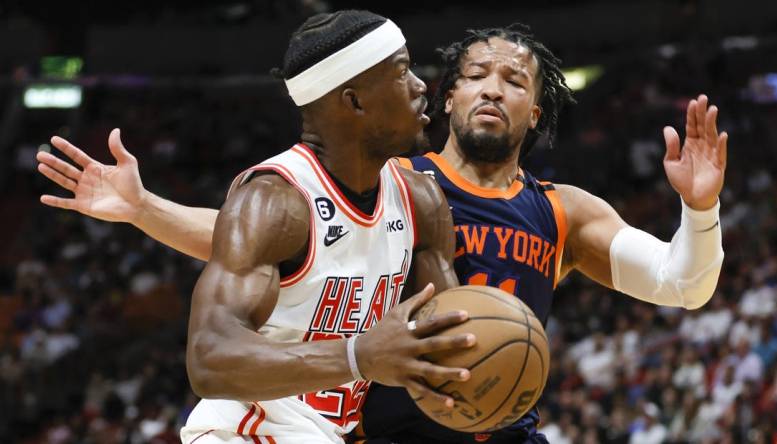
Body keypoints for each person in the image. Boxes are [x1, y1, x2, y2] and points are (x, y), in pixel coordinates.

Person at [37, 22, 727, 444]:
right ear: (447, 93)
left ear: (536, 107)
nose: (492, 88)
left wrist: (699, 210)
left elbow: (682, 286)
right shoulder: (395, 178)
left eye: (513, 80)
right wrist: (145, 209)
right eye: (475, 74)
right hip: (379, 431)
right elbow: (262, 239)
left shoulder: (563, 210)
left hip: (500, 427)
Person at [41, 10, 484, 443]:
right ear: (354, 101)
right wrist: (357, 356)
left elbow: (451, 337)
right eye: (402, 71)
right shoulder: (275, 200)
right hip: (247, 431)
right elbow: (209, 359)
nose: (420, 85)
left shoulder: (420, 200)